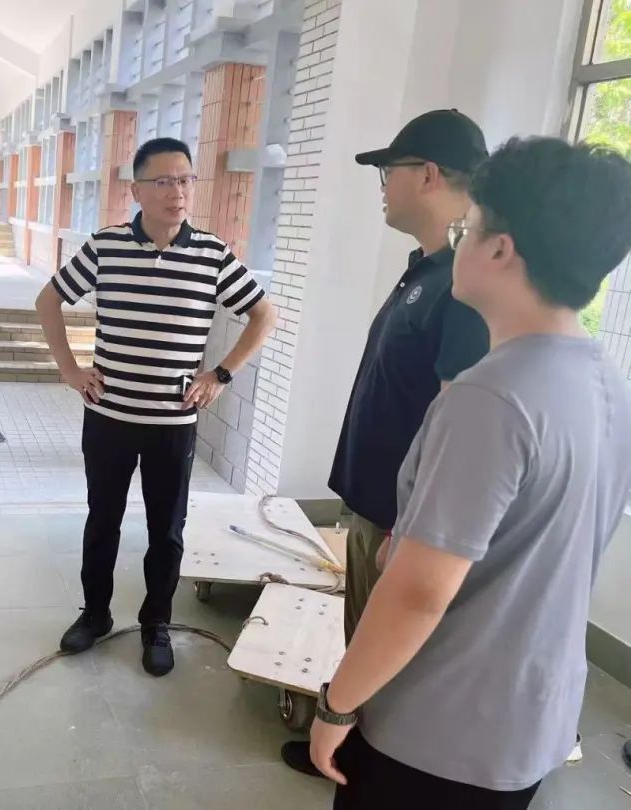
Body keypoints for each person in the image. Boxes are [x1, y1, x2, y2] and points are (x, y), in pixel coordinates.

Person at [309, 136, 631, 809]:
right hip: (531, 721)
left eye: (468, 228)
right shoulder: (607, 382)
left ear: (500, 249)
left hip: (439, 729)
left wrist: (338, 703)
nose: (458, 243)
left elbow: (420, 592)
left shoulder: (491, 396)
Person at [283, 109, 491, 776]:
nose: (382, 185)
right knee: (363, 641)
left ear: (427, 175)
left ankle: (366, 765)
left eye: (387, 171)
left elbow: (457, 423)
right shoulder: (427, 270)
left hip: (402, 524)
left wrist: (411, 525)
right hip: (376, 509)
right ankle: (349, 748)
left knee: (391, 657)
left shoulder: (464, 286)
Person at [36, 137, 277, 676]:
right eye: (164, 181)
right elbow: (48, 300)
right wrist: (70, 370)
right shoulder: (106, 247)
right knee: (103, 520)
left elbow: (265, 314)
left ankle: (156, 624)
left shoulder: (212, 254)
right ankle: (95, 614)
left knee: (167, 530)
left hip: (173, 423)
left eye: (186, 180)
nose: (178, 192)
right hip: (109, 417)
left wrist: (221, 373)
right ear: (137, 190)